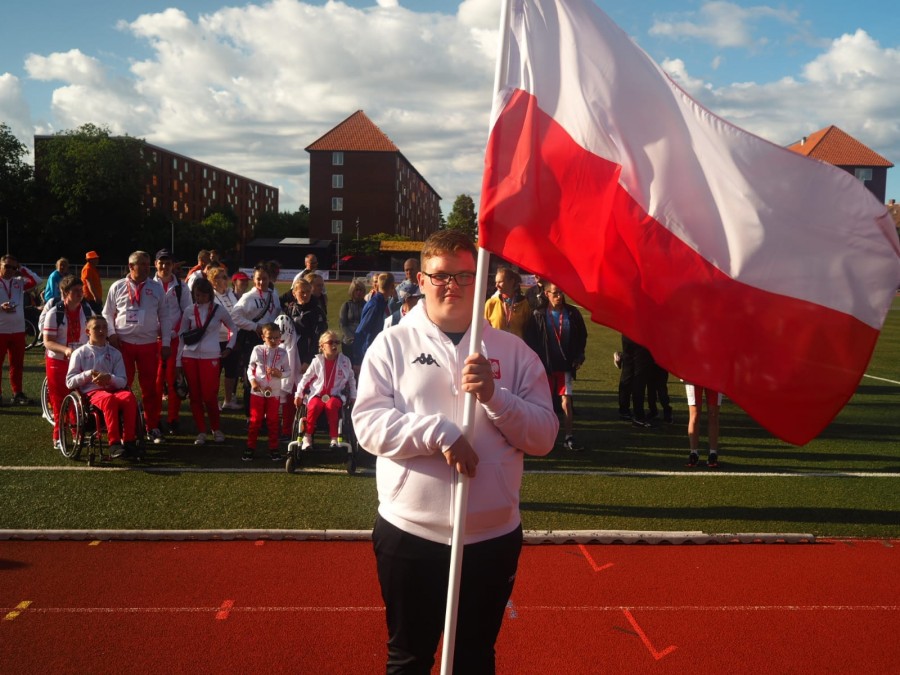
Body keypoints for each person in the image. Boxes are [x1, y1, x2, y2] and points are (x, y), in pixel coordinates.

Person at [352, 230, 558, 673]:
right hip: (411, 533)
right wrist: (438, 432)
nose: (452, 286)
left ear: (479, 280)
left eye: (465, 275)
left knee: (474, 659)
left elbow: (544, 437)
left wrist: (496, 398)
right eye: (441, 276)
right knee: (407, 658)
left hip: (491, 537)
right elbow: (367, 426)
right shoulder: (391, 345)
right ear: (422, 280)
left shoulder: (513, 352)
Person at [102, 250, 171, 444]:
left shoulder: (156, 288)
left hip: (148, 344)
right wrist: (112, 334)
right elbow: (107, 313)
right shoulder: (117, 287)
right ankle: (125, 426)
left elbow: (165, 316)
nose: (146, 267)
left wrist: (165, 342)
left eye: (147, 263)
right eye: (142, 264)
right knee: (122, 386)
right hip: (122, 344)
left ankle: (152, 426)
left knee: (151, 388)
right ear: (131, 266)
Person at [65, 315, 140, 459]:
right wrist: (88, 374)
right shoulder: (79, 353)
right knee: (108, 399)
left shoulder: (115, 353)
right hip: (91, 393)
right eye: (96, 328)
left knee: (129, 397)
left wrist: (109, 378)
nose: (101, 331)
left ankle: (129, 441)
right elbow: (69, 382)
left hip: (113, 390)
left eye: (104, 327)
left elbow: (123, 381)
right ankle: (114, 443)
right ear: (88, 332)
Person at [526, 283, 587, 450]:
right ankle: (540, 435)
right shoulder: (538, 314)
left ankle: (568, 436)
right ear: (546, 293)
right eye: (555, 293)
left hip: (565, 365)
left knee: (566, 401)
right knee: (542, 402)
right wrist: (535, 361)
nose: (559, 296)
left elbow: (582, 335)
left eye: (561, 292)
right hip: (545, 365)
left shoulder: (572, 313)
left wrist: (579, 356)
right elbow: (531, 339)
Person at [176, 277, 236, 445]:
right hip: (190, 356)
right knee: (194, 396)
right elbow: (181, 336)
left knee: (210, 396)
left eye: (203, 295)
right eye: (197, 295)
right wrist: (178, 363)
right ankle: (201, 431)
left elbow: (233, 328)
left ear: (209, 294)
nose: (200, 298)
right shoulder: (189, 310)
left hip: (211, 356)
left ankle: (216, 429)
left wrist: (229, 347)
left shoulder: (219, 310)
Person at [41, 275, 93, 449]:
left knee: (79, 397)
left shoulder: (86, 311)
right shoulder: (54, 313)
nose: (80, 294)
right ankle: (58, 435)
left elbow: (94, 332)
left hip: (80, 361)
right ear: (64, 292)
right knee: (59, 399)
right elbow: (48, 341)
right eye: (76, 291)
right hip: (58, 361)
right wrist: (66, 350)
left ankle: (76, 434)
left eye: (81, 290)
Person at [232, 262, 281, 418]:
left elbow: (277, 314)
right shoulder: (248, 297)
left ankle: (267, 414)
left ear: (269, 279)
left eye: (264, 279)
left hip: (271, 342)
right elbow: (235, 316)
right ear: (254, 279)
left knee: (270, 377)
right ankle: (250, 416)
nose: (261, 282)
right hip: (252, 341)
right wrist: (255, 327)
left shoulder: (273, 295)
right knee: (252, 377)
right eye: (258, 279)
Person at [295, 330, 357, 449]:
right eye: (330, 342)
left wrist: (354, 396)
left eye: (337, 342)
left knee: (331, 405)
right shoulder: (316, 361)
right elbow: (305, 379)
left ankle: (334, 438)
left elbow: (351, 380)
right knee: (313, 406)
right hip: (318, 395)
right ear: (322, 346)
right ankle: (307, 437)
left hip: (336, 395)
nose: (334, 345)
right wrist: (298, 395)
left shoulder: (345, 361)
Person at [153, 249, 191, 436]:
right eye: (161, 262)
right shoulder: (149, 285)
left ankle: (173, 418)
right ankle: (154, 418)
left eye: (168, 263)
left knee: (174, 379)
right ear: (156, 264)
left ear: (172, 265)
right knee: (156, 382)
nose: (164, 266)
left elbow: (187, 313)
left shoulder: (181, 287)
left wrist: (175, 332)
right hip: (154, 341)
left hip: (175, 340)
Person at [244, 322, 288, 462]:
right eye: (270, 338)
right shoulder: (257, 349)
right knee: (255, 420)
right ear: (263, 337)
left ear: (280, 336)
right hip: (257, 391)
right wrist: (253, 382)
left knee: (273, 421)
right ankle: (250, 447)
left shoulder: (283, 352)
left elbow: (288, 371)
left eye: (277, 337)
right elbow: (250, 368)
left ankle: (274, 448)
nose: (274, 341)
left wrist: (280, 374)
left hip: (274, 392)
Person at [0, 254, 40, 405]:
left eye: (13, 267)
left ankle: (17, 393)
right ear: (0, 266)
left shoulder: (19, 282)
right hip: (1, 330)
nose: (10, 270)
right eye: (7, 266)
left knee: (17, 364)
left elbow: (37, 280)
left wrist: (22, 269)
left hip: (17, 330)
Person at [210, 267, 242, 410]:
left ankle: (228, 400)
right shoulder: (211, 296)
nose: (226, 280)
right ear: (213, 281)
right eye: (222, 277)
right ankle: (213, 401)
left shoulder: (230, 294)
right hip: (216, 340)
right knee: (215, 373)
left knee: (231, 371)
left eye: (225, 276)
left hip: (232, 339)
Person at [283, 277, 328, 374]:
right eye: (302, 292)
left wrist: (308, 360)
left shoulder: (317, 312)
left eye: (308, 291)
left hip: (308, 355)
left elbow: (318, 338)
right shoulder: (290, 309)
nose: (305, 295)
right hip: (291, 354)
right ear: (294, 294)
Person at [354, 272, 394, 364]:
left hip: (376, 350)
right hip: (369, 353)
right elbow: (361, 331)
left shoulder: (382, 302)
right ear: (392, 286)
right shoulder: (375, 305)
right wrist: (357, 360)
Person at [484, 266, 532, 339]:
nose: (496, 285)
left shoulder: (524, 304)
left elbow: (527, 331)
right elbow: (484, 329)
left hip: (516, 348)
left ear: (511, 282)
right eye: (496, 282)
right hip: (496, 347)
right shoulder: (491, 303)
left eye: (500, 282)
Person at [685, 383, 722, 468]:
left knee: (713, 415)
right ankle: (693, 453)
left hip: (714, 376)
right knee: (694, 415)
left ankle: (713, 453)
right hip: (693, 376)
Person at [339, 278, 367, 368]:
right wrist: (351, 337)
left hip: (363, 342)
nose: (359, 292)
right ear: (352, 291)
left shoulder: (367, 305)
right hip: (348, 343)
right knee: (348, 368)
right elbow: (343, 325)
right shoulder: (346, 305)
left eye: (361, 290)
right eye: (356, 290)